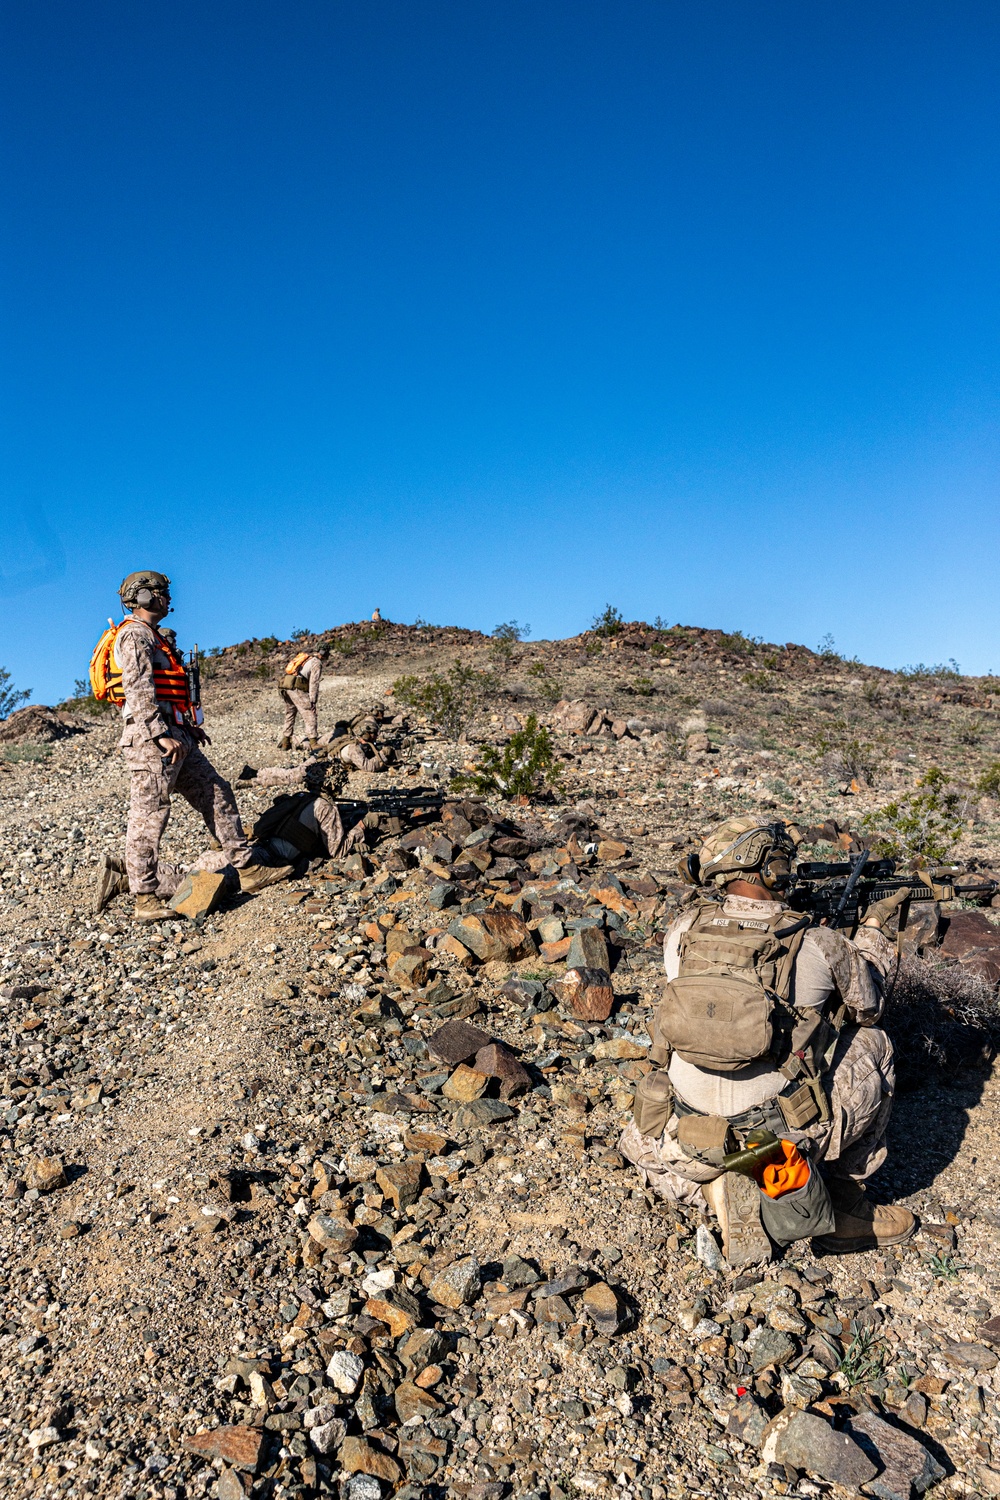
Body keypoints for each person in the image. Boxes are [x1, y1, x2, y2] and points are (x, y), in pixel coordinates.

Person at [619, 815, 916, 1262]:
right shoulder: (819, 941)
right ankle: (843, 1206)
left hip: (687, 1131)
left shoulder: (682, 931)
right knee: (876, 1044)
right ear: (768, 866)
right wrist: (872, 930)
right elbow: (868, 1007)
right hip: (777, 1139)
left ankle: (716, 1184)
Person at [98, 571, 292, 922]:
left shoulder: (155, 637)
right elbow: (140, 691)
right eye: (161, 592)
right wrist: (160, 734)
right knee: (149, 817)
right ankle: (144, 898)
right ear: (143, 597)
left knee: (216, 792)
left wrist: (185, 727)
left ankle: (248, 870)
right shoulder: (134, 636)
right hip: (152, 742)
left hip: (175, 736)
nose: (168, 598)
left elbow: (164, 691)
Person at [279, 645, 326, 750]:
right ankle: (313, 742)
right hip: (296, 688)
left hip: (286, 686)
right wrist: (313, 700)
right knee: (310, 713)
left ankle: (285, 741)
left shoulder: (307, 659)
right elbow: (314, 683)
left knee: (290, 713)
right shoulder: (316, 663)